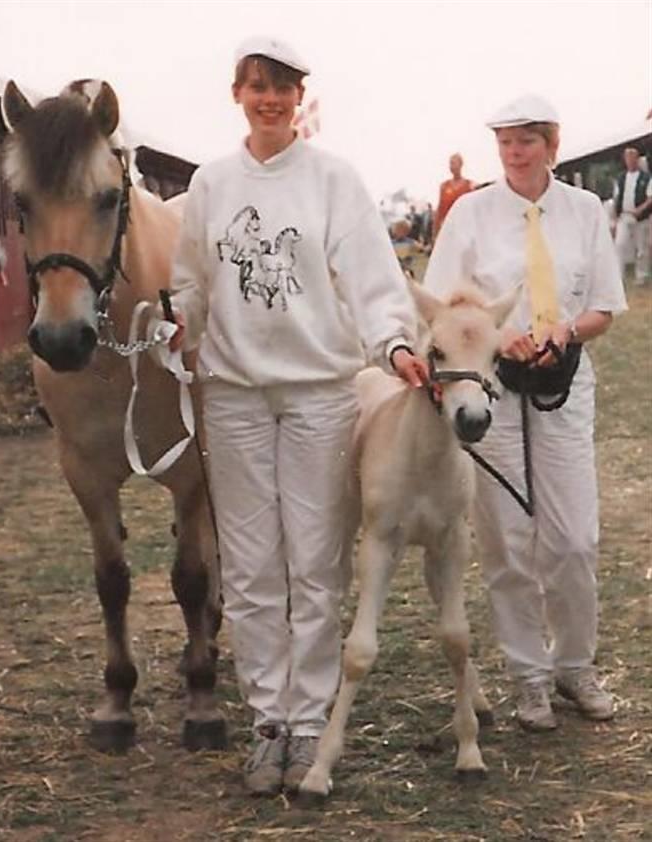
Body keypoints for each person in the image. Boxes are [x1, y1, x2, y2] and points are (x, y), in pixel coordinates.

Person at [168, 36, 427, 795]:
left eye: (282, 86)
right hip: (236, 393)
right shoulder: (211, 184)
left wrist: (396, 343)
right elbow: (191, 282)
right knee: (250, 568)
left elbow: (374, 279)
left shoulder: (333, 180)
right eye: (257, 85)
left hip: (318, 389)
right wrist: (176, 320)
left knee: (314, 561)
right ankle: (268, 722)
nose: (270, 99)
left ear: (299, 98)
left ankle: (310, 719)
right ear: (237, 94)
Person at [423, 94, 627, 732]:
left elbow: (604, 305)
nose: (515, 153)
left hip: (563, 383)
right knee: (508, 538)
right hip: (492, 390)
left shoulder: (585, 211)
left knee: (572, 539)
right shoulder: (471, 213)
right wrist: (495, 332)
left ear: (551, 144)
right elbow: (442, 304)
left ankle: (575, 666)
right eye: (506, 141)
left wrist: (565, 334)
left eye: (527, 141)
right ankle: (528, 678)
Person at [611, 147, 652, 286]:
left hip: (641, 218)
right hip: (624, 215)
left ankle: (641, 275)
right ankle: (618, 275)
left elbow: (650, 198)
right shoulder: (621, 178)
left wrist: (640, 209)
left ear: (637, 159)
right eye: (627, 158)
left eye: (632, 157)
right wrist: (614, 216)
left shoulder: (646, 177)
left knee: (641, 248)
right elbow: (616, 197)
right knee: (619, 244)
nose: (630, 161)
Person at [433, 152, 473, 241]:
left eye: (454, 163)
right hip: (448, 228)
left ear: (461, 165)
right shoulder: (444, 186)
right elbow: (440, 210)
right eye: (450, 163)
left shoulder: (469, 185)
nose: (451, 166)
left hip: (465, 228)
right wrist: (435, 234)